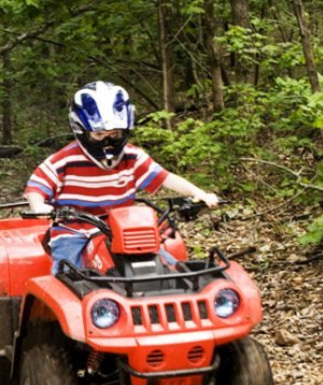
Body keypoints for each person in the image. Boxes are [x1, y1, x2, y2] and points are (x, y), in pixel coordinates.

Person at [24, 80, 220, 274]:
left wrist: (198, 193)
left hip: (125, 232)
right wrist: (39, 206)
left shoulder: (132, 156)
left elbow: (166, 178)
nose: (107, 141)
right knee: (68, 274)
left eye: (114, 134)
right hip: (75, 231)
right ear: (81, 130)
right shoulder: (65, 159)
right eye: (99, 134)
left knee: (168, 267)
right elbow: (37, 186)